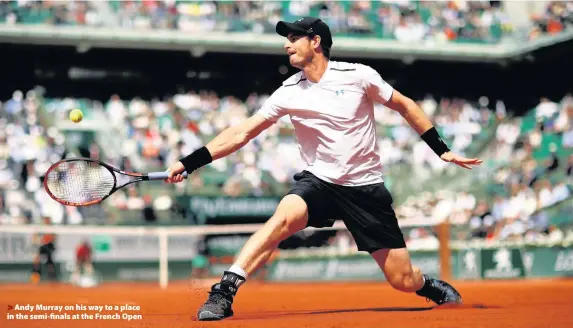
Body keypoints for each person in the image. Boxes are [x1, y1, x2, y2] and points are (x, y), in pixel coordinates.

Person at [165, 17, 482, 321]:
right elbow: (241, 133)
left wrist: (442, 150)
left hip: (365, 188)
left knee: (402, 278)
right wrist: (189, 162)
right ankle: (224, 292)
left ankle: (426, 286)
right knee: (283, 217)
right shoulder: (289, 91)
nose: (287, 46)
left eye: (293, 39)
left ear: (315, 41)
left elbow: (406, 105)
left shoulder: (359, 76)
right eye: (286, 40)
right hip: (320, 180)